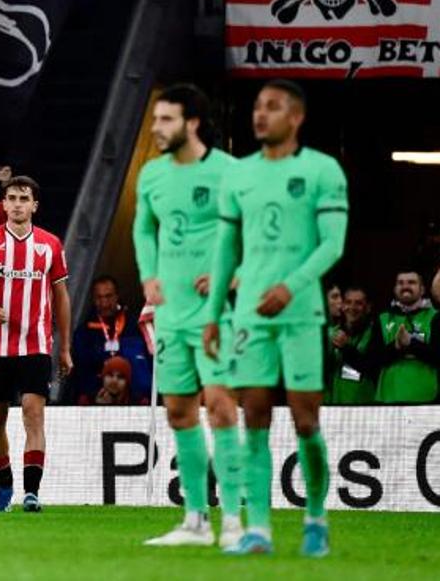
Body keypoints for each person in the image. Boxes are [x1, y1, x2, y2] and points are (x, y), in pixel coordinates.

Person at [204, 79, 347, 557]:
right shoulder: (238, 175)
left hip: (301, 311)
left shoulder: (322, 170)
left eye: (273, 107)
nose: (260, 114)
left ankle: (316, 517)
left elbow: (332, 244)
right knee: (255, 417)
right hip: (249, 316)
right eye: (257, 106)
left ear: (297, 116)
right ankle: (258, 528)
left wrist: (291, 286)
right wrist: (212, 314)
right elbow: (226, 251)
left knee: (307, 420)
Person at [132, 83, 243, 549]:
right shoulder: (153, 175)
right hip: (171, 315)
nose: (156, 128)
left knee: (220, 407)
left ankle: (235, 522)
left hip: (218, 315)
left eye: (166, 120)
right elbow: (142, 227)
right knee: (179, 411)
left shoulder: (230, 171)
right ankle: (195, 521)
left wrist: (237, 275)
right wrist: (148, 276)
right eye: (156, 119)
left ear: (192, 123)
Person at [0, 175, 72, 513]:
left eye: (23, 199)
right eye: (11, 198)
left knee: (32, 413)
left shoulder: (50, 244)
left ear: (35, 205)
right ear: (4, 203)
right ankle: (6, 486)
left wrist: (65, 347)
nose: (16, 204)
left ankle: (32, 493)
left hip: (36, 345)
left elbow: (61, 297)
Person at [71, 275, 150, 405]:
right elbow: (80, 369)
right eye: (99, 298)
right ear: (93, 299)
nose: (104, 303)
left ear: (117, 296)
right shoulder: (84, 331)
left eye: (108, 296)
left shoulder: (134, 326)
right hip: (96, 395)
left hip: (132, 398)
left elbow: (144, 363)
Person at [373, 271, 438, 405]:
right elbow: (373, 361)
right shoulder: (382, 318)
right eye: (400, 283)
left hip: (427, 399)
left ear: (422, 290)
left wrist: (411, 344)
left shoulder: (436, 317)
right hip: (388, 399)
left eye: (411, 282)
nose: (405, 286)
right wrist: (396, 346)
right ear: (394, 289)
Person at [325, 286, 377, 405]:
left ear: (368, 307)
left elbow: (372, 366)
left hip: (364, 407)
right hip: (332, 406)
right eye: (348, 302)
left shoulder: (375, 333)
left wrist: (346, 348)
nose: (352, 308)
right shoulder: (331, 333)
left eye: (358, 303)